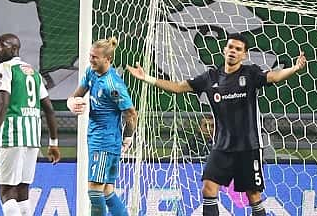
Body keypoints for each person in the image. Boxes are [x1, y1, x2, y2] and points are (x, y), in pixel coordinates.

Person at [126, 33, 306, 216]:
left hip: (248, 146)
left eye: (238, 49)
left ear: (244, 55)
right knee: (208, 189)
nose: (233, 52)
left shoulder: (250, 74)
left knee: (253, 196)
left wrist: (294, 68)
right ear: (224, 50)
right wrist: (147, 78)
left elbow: (274, 77)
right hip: (221, 146)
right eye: (231, 47)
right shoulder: (210, 77)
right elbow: (178, 87)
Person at [0, 33, 61, 216]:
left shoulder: (4, 68)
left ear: (14, 48)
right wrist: (54, 143)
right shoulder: (33, 72)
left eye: (1, 46)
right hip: (32, 138)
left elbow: (2, 103)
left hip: (12, 135)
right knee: (22, 192)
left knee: (6, 191)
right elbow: (49, 109)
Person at [65, 36, 137, 216]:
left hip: (104, 142)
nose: (90, 60)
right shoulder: (91, 72)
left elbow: (131, 113)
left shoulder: (113, 85)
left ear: (108, 59)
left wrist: (128, 137)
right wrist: (71, 103)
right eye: (90, 56)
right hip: (98, 139)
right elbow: (76, 95)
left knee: (94, 191)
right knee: (107, 192)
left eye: (95, 57)